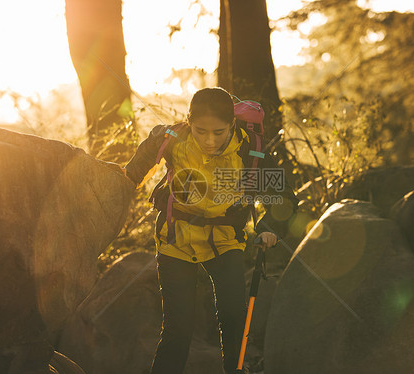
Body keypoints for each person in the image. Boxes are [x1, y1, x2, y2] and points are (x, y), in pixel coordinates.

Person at [123, 87, 298, 374]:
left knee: (234, 320)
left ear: (232, 124)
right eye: (200, 131)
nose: (209, 140)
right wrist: (122, 184)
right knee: (178, 330)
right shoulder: (172, 140)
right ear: (188, 121)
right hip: (176, 239)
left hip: (225, 240)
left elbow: (285, 198)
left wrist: (269, 228)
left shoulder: (249, 149)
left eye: (219, 132)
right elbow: (130, 174)